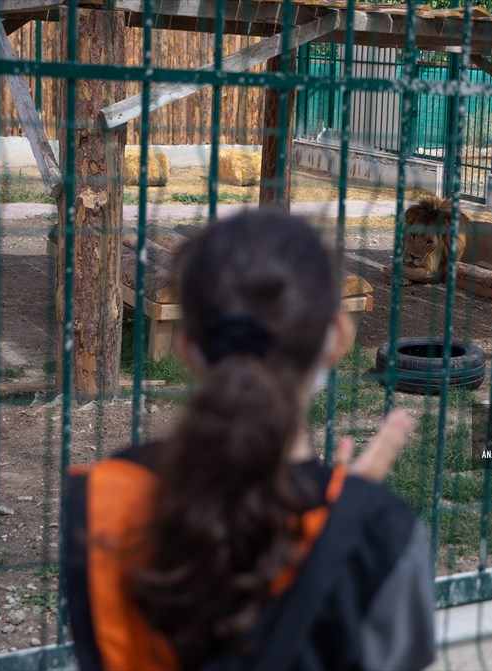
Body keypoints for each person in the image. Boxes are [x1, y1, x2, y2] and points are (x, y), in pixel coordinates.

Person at [63, 210, 435, 671]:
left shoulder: (102, 502)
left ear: (187, 345)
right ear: (337, 338)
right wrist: (350, 522)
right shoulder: (379, 534)